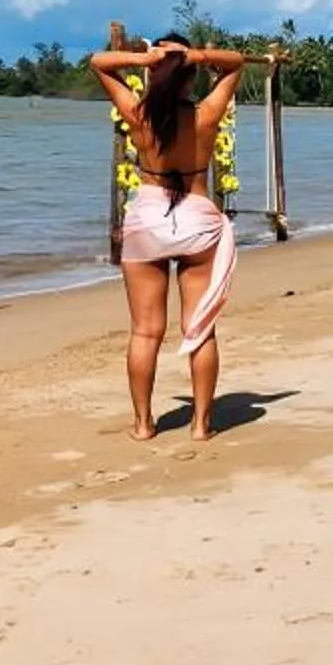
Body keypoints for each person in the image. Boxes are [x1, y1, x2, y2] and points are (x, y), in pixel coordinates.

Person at [91, 36, 248, 441]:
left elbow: (99, 62)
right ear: (191, 76)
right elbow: (235, 63)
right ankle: (200, 425)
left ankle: (144, 425)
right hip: (196, 221)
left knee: (145, 332)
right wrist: (193, 55)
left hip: (148, 220)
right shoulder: (206, 115)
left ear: (152, 72)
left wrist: (147, 56)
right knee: (200, 330)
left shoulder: (137, 115)